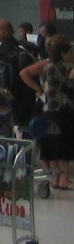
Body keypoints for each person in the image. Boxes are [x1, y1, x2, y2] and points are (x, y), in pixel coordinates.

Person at [36, 35, 74, 189]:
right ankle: (65, 179)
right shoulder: (66, 67)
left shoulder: (47, 66)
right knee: (63, 146)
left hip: (47, 109)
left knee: (50, 146)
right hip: (62, 110)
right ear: (64, 53)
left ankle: (55, 179)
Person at [0, 20, 37, 128]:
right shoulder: (12, 52)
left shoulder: (6, 53)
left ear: (9, 32)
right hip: (17, 100)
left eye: (0, 30)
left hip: (6, 99)